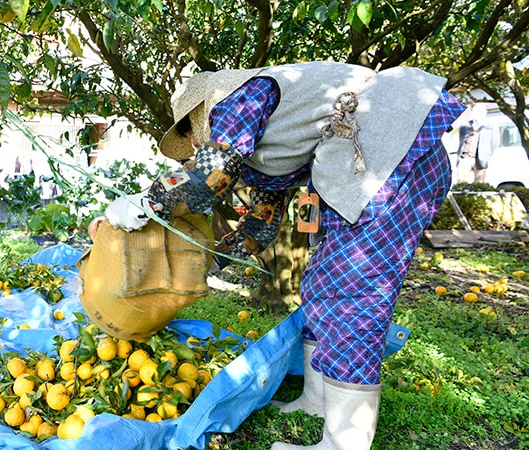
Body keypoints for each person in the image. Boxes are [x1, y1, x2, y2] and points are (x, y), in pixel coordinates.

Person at [100, 61, 466, 450]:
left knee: (350, 291)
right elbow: (262, 223)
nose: (192, 148)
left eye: (190, 134)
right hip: (374, 166)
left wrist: (147, 202)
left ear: (200, 113)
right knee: (322, 284)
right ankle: (317, 402)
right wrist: (207, 262)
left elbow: (212, 174)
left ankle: (345, 443)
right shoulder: (271, 140)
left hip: (394, 159)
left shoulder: (238, 99)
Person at [455, 114, 494, 184]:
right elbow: (461, 139)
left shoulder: (489, 126)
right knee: (461, 181)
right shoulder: (465, 125)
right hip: (465, 157)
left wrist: (487, 155)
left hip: (481, 159)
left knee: (479, 184)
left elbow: (495, 142)